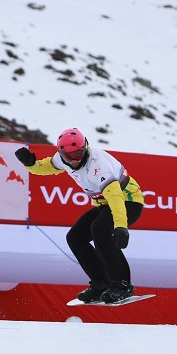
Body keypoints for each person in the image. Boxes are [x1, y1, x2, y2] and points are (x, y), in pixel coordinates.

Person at [15, 129, 146, 304]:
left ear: (86, 147)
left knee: (99, 230)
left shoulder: (98, 165)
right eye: (70, 156)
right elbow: (47, 167)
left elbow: (115, 198)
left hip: (128, 201)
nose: (75, 159)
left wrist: (121, 227)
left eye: (79, 153)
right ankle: (101, 283)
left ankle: (122, 284)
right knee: (75, 237)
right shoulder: (62, 159)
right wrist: (31, 164)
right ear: (62, 154)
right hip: (104, 204)